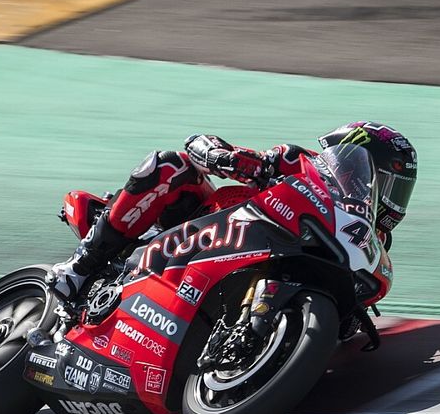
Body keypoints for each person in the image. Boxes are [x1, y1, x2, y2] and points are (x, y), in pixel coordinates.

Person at [48, 121, 417, 304]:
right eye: (388, 183)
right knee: (170, 166)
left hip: (259, 273)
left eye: (401, 190)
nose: (391, 199)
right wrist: (227, 158)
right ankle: (81, 268)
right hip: (200, 233)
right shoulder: (299, 163)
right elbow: (199, 144)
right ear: (357, 167)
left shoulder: (369, 241)